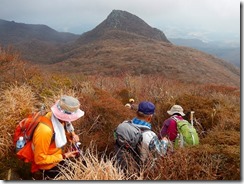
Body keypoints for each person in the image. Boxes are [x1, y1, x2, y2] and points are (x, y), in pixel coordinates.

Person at [32, 95, 85, 179]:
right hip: (48, 166)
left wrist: (72, 135)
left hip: (57, 156)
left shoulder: (58, 119)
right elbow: (39, 159)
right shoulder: (44, 131)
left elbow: (65, 128)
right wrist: (64, 156)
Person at [115, 101, 165, 174]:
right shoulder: (150, 135)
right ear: (149, 117)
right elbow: (161, 153)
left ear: (137, 113)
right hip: (140, 172)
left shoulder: (124, 125)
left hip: (120, 169)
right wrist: (164, 142)